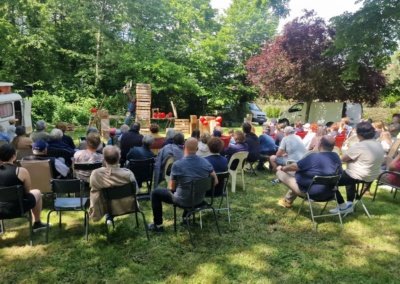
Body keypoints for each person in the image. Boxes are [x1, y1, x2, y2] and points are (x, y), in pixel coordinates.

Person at [147, 138, 218, 232]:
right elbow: (215, 181)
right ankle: (186, 218)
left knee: (155, 193)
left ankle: (158, 225)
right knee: (188, 188)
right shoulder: (206, 163)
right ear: (197, 149)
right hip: (199, 199)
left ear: (184, 147)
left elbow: (171, 188)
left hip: (183, 200)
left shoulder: (177, 165)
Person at [331, 122, 385, 214]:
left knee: (330, 182)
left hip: (358, 175)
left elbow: (343, 159)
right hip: (372, 175)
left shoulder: (360, 145)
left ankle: (342, 206)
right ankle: (350, 204)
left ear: (359, 134)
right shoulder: (378, 144)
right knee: (348, 175)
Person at [276, 136, 343, 208]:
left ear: (320, 144)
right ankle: (288, 201)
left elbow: (294, 167)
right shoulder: (336, 157)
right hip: (329, 193)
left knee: (280, 173)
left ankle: (287, 201)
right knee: (296, 175)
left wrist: (282, 168)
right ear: (333, 147)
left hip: (309, 192)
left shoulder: (313, 157)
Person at [0, 144, 48, 231]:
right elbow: (27, 191)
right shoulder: (21, 171)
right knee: (37, 192)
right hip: (19, 207)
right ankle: (37, 223)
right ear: (14, 157)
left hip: (1, 210)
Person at [89, 146, 136, 222]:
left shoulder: (96, 174)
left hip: (107, 207)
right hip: (128, 206)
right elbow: (135, 189)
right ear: (119, 158)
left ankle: (108, 218)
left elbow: (93, 186)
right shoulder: (128, 174)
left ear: (103, 158)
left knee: (96, 191)